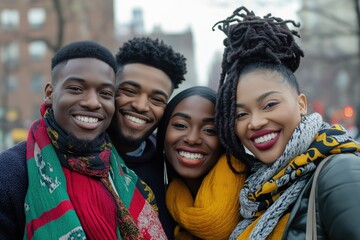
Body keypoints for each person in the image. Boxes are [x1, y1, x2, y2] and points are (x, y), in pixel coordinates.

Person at [212, 6, 360, 240]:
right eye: (241, 115)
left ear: (301, 104)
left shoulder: (339, 171)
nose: (256, 122)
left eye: (270, 104)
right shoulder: (254, 194)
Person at [0, 40, 166, 239]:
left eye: (105, 93)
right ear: (50, 94)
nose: (92, 102)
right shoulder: (11, 172)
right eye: (76, 89)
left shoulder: (125, 175)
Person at [107, 37, 187, 238]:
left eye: (157, 99)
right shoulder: (71, 155)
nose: (141, 106)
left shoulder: (172, 164)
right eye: (129, 91)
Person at [155, 86, 247, 239]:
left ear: (225, 140)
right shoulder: (151, 196)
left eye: (210, 130)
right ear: (163, 134)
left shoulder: (255, 195)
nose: (192, 139)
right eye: (181, 125)